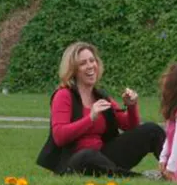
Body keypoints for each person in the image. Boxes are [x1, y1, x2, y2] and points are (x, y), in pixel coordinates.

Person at [36, 42, 165, 177]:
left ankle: (174, 172)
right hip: (74, 160)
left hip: (103, 155)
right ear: (73, 70)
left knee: (151, 130)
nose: (90, 66)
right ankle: (139, 177)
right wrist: (90, 118)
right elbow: (59, 136)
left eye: (92, 61)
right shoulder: (63, 95)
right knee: (87, 155)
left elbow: (130, 126)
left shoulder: (100, 96)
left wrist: (131, 106)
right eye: (83, 63)